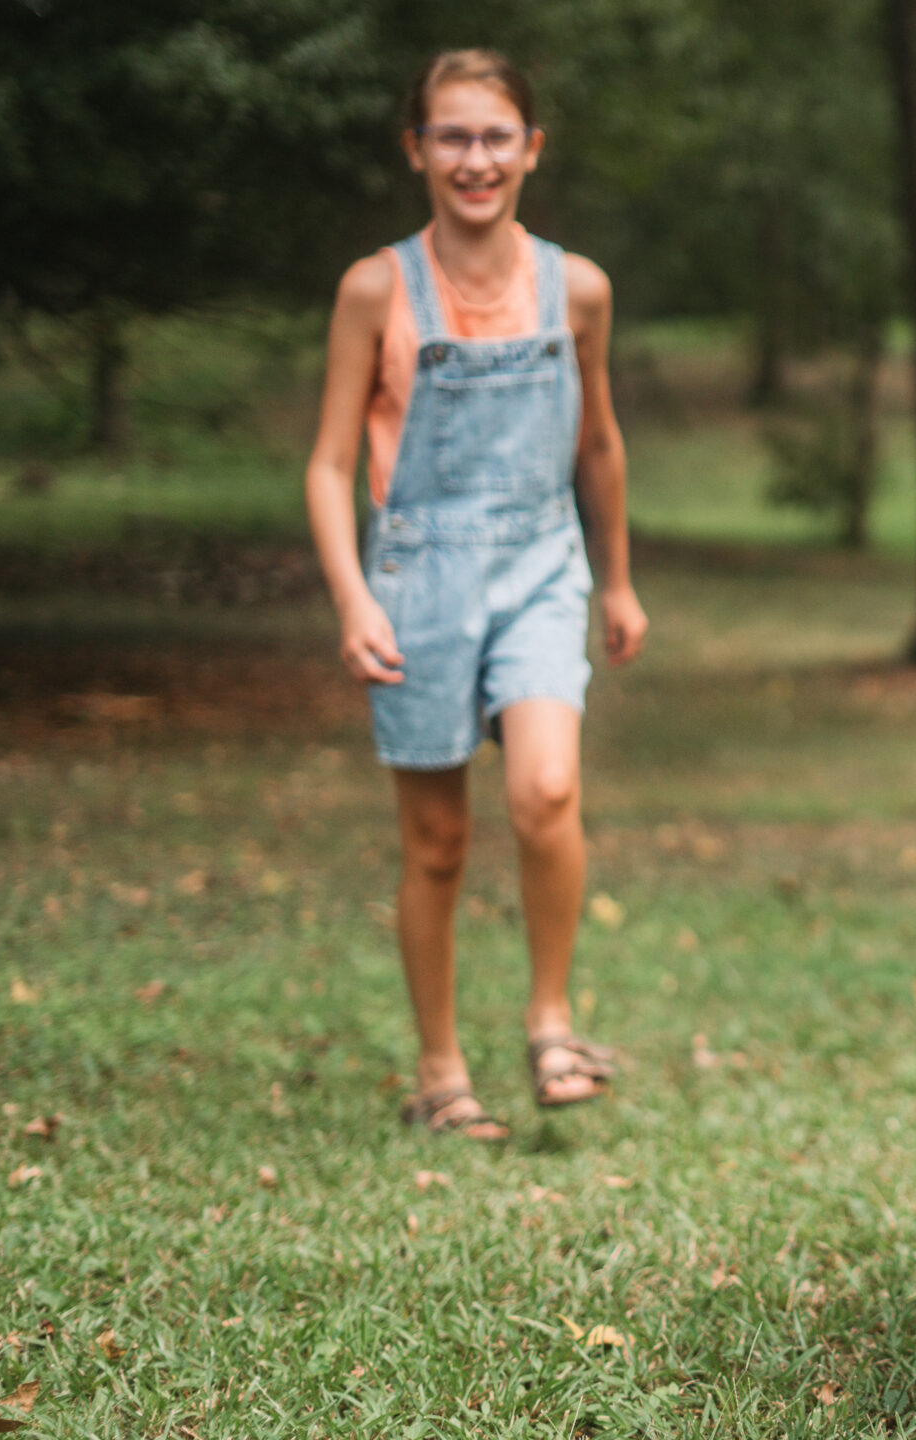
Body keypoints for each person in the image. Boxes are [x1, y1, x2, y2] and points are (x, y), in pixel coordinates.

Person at [302, 49, 647, 1140]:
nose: (475, 158)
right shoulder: (376, 288)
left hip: (543, 563)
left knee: (545, 792)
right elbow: (324, 464)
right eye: (451, 136)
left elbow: (596, 442)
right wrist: (354, 599)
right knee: (438, 841)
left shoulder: (575, 286)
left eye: (496, 136)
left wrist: (619, 582)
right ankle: (440, 1071)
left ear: (531, 150)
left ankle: (551, 1018)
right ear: (417, 151)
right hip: (418, 574)